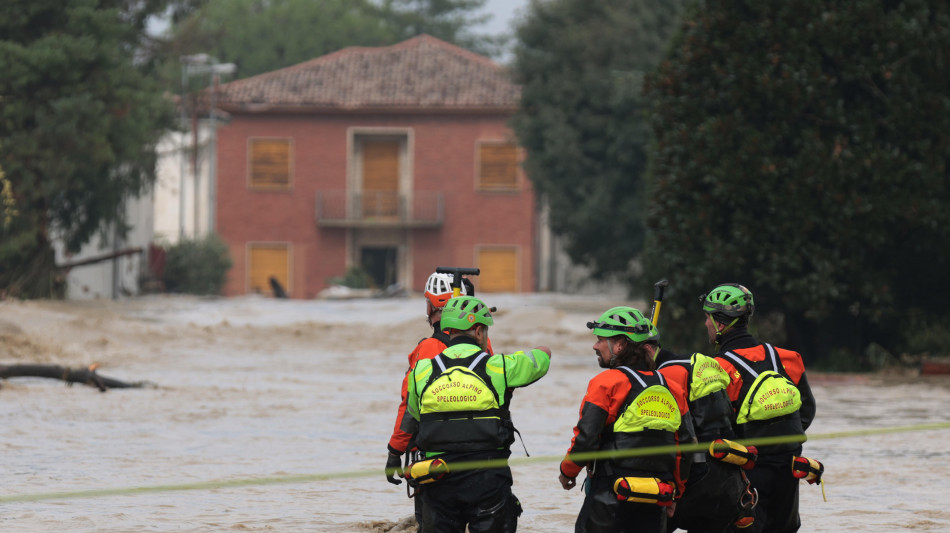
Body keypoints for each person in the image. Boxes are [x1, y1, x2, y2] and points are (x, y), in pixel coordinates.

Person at [404, 295, 551, 532]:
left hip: (436, 478)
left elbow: (414, 413)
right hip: (488, 481)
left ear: (448, 330)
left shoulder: (421, 371)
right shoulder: (500, 366)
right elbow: (543, 357)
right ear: (480, 332)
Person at [559, 306, 693, 533]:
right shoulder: (672, 387)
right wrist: (676, 494)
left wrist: (567, 471)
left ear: (620, 345)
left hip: (610, 496)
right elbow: (686, 446)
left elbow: (586, 439)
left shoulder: (606, 382)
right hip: (658, 495)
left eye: (601, 339)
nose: (595, 346)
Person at [701, 283, 817, 533]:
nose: (706, 325)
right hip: (789, 470)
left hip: (745, 474)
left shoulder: (715, 369)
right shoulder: (788, 358)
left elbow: (713, 429)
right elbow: (806, 411)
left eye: (707, 318)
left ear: (720, 324)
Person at [385, 272, 493, 530]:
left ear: (432, 306)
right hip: (484, 459)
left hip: (434, 459)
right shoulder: (484, 347)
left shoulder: (427, 350)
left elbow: (409, 406)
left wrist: (394, 451)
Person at [653, 336, 755, 532]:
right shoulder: (702, 364)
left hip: (695, 479)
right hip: (729, 477)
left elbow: (674, 436)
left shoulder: (665, 375)